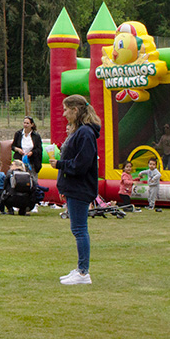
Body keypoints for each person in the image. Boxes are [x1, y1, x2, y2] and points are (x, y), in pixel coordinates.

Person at [49, 94, 101, 286]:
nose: (63, 114)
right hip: (74, 186)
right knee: (77, 229)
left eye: (66, 110)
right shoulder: (81, 132)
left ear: (75, 110)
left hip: (80, 187)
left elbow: (82, 163)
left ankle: (83, 272)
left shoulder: (85, 133)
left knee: (80, 230)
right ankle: (80, 269)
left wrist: (60, 164)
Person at [12, 116, 44, 184]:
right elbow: (13, 146)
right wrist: (18, 150)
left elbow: (39, 149)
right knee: (19, 181)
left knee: (33, 181)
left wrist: (32, 152)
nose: (25, 125)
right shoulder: (18, 134)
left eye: (27, 123)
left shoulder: (36, 136)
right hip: (20, 161)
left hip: (31, 162)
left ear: (32, 125)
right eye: (24, 123)